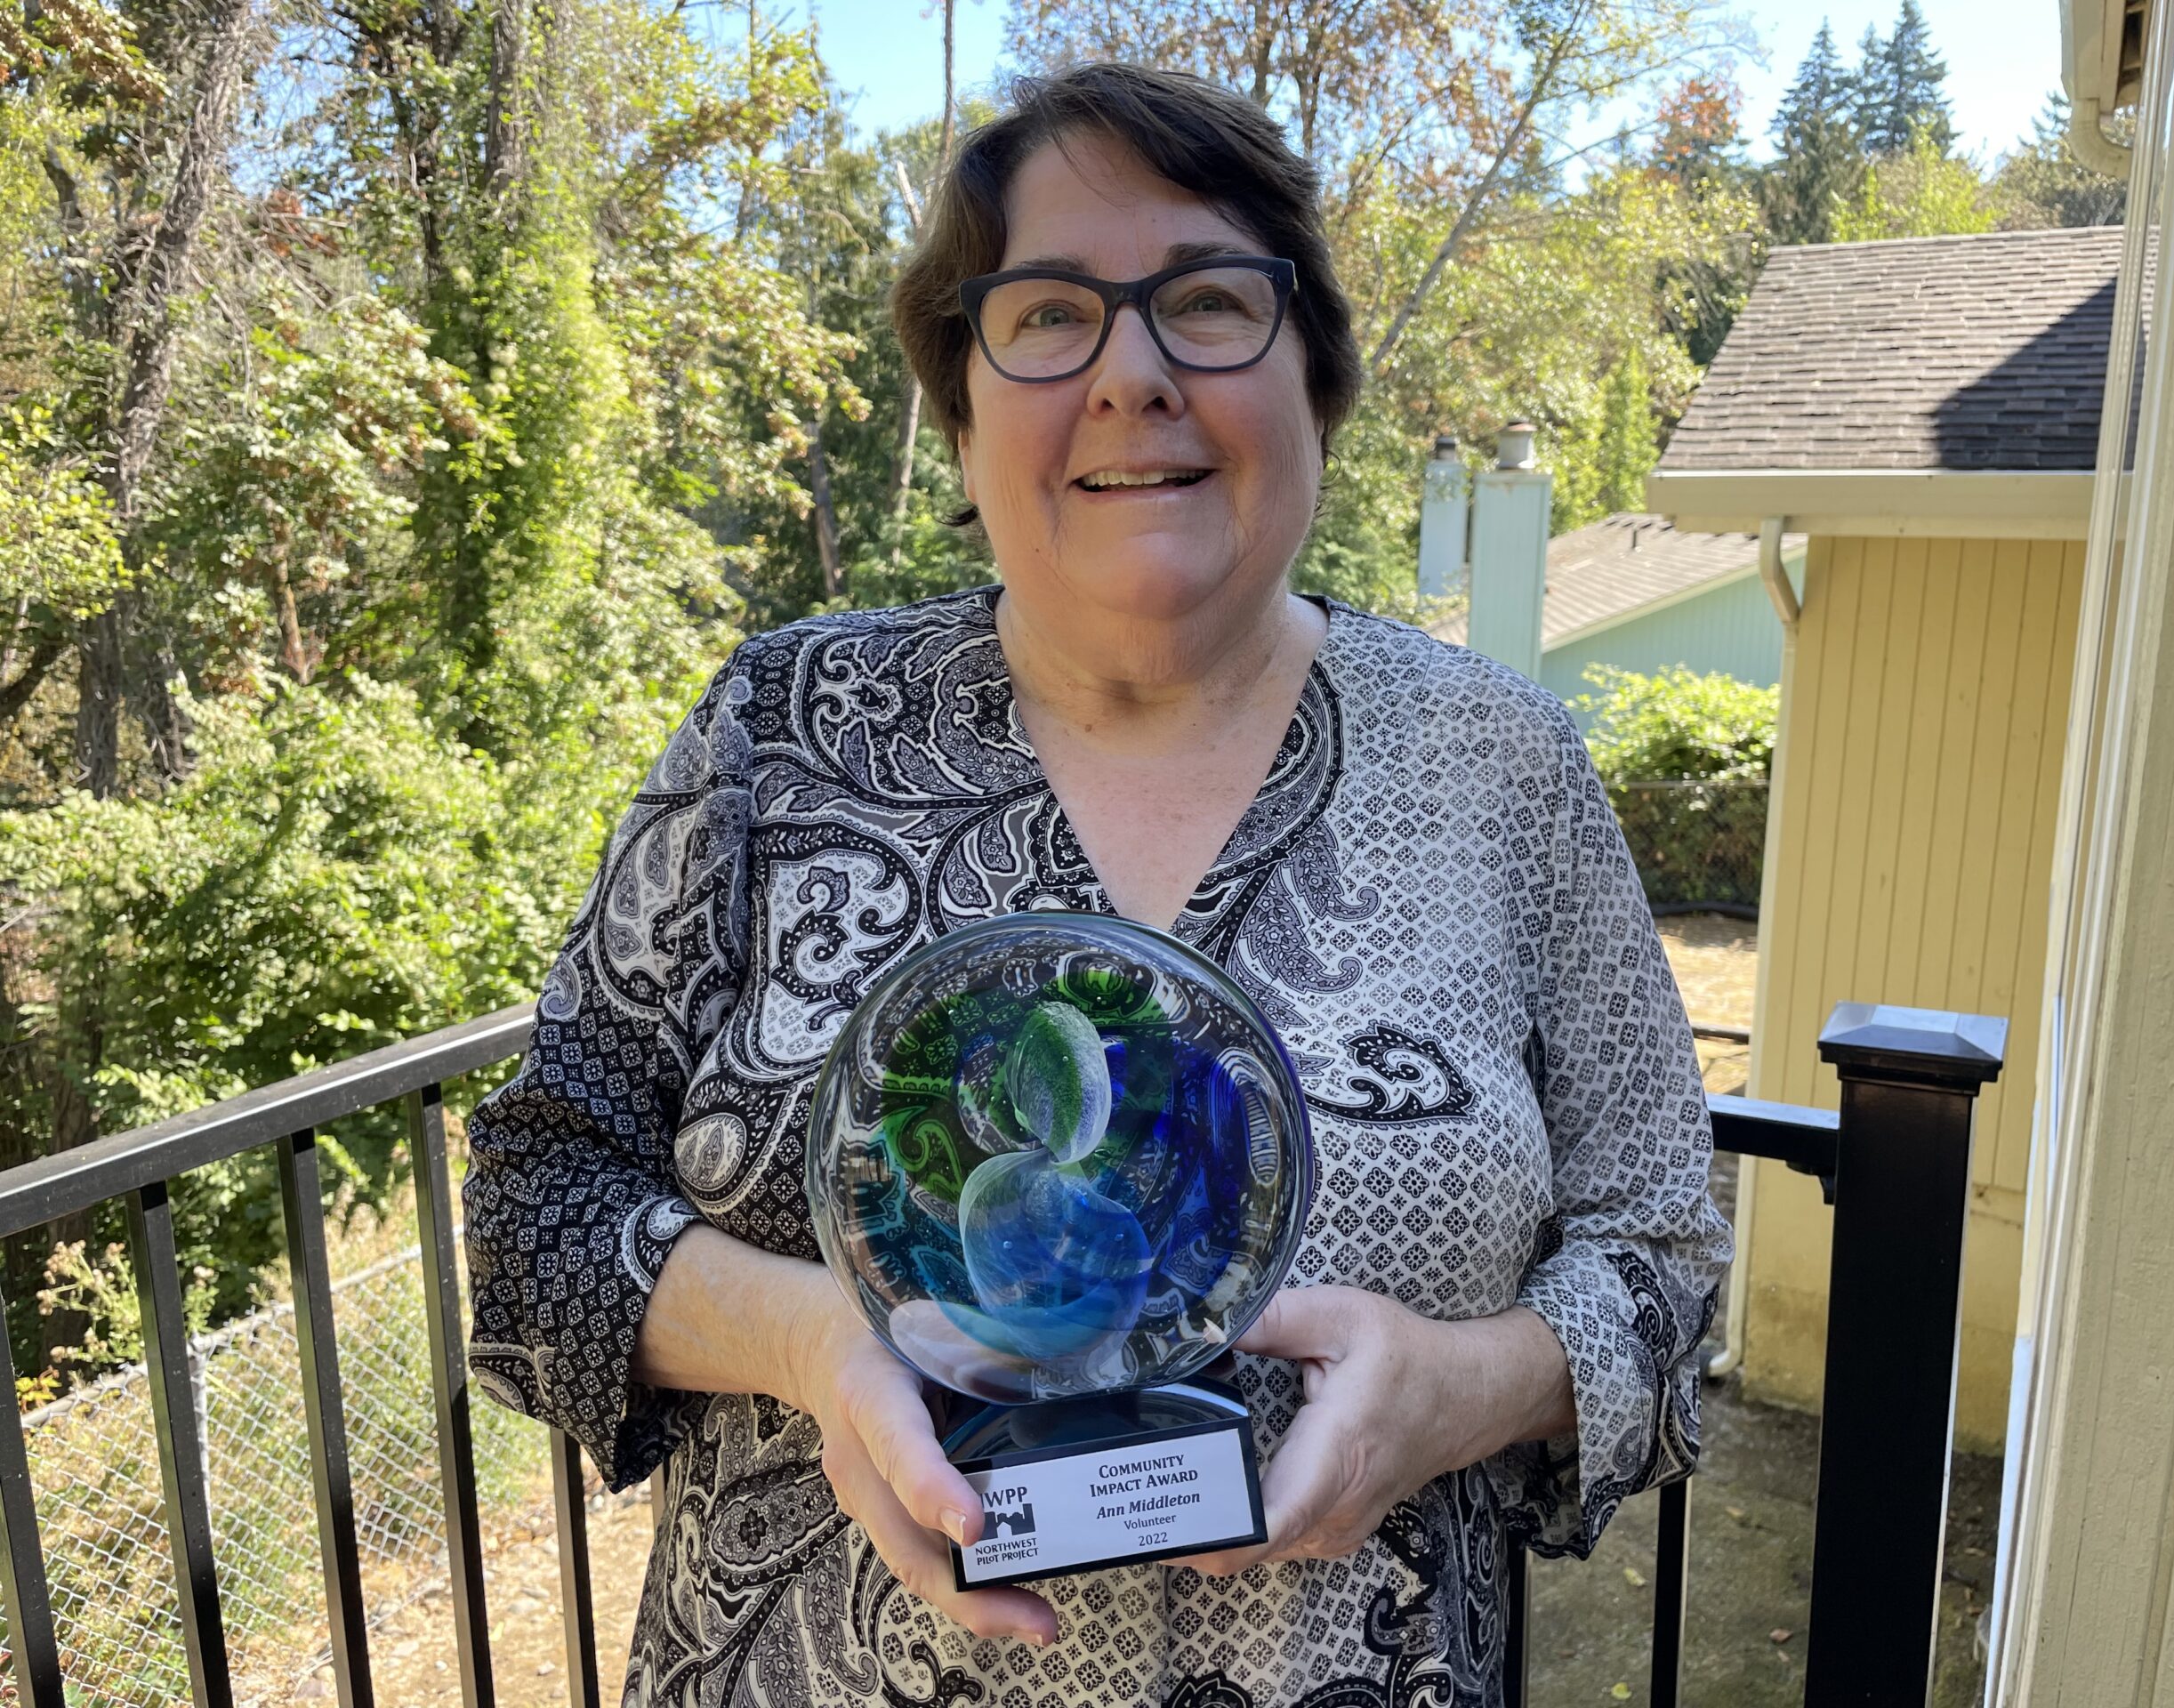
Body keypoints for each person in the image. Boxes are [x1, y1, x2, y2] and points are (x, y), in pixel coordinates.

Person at [463, 60, 1730, 1708]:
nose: (1133, 374)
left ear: (1315, 379)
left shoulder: (1505, 771)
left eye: (1208, 301)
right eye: (1051, 315)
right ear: (965, 405)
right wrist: (813, 1340)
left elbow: (1663, 1260)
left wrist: (1469, 1385)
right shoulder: (781, 734)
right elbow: (528, 1214)